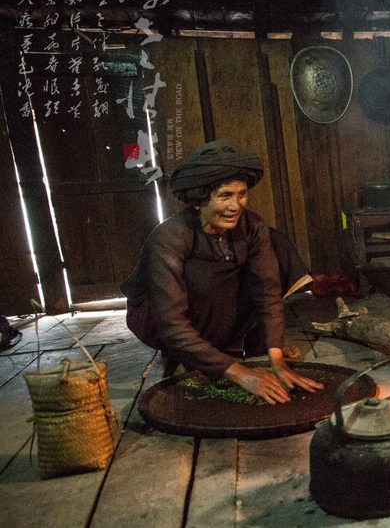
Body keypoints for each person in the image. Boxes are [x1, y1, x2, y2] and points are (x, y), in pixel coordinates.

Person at [121, 140, 322, 404]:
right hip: (158, 320)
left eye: (242, 194)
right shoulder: (169, 237)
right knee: (201, 275)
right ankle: (194, 354)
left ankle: (226, 346)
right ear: (199, 200)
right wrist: (239, 373)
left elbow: (267, 292)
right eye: (225, 195)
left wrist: (277, 360)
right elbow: (171, 322)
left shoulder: (252, 226)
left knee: (275, 246)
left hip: (216, 311)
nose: (236, 206)